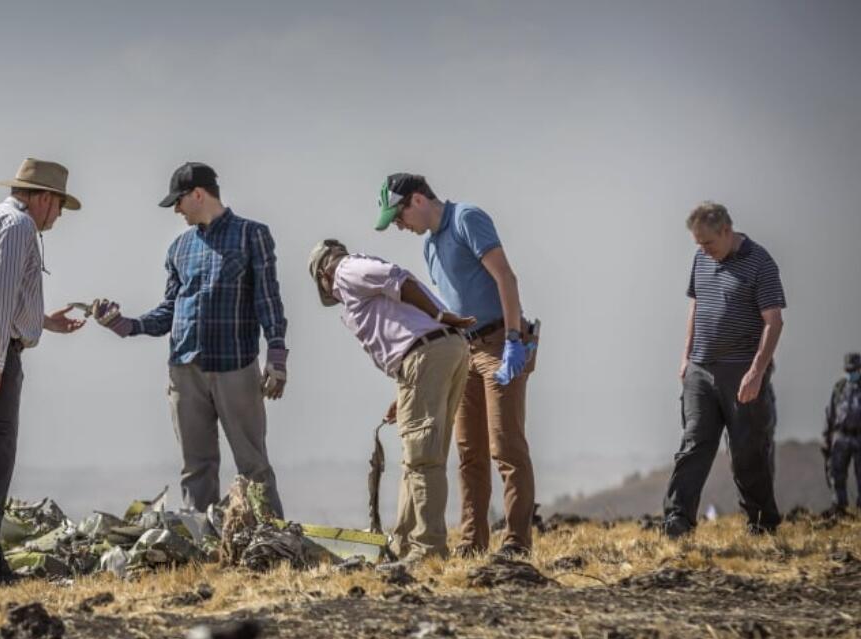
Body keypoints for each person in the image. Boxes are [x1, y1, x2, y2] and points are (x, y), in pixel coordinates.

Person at [91, 162, 288, 516]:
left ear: (198, 194)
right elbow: (169, 310)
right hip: (184, 369)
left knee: (253, 464)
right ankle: (202, 546)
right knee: (195, 467)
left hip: (236, 365)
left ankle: (271, 545)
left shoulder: (251, 235)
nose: (176, 210)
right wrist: (125, 325)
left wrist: (277, 353)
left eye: (179, 202)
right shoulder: (178, 248)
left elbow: (267, 299)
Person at [375, 173, 538, 558]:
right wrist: (412, 389)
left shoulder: (467, 218)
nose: (399, 226)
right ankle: (472, 543)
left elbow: (505, 277)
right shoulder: (430, 246)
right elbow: (443, 316)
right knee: (470, 453)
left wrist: (514, 339)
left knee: (506, 447)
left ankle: (516, 543)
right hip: (463, 351)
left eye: (399, 217)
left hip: (501, 343)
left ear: (416, 200)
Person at [0, 159, 86, 584]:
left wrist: (41, 320)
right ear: (44, 198)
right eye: (59, 206)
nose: (58, 216)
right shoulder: (18, 226)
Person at [308, 239, 473, 566]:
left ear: (324, 275)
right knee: (422, 456)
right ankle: (404, 544)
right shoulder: (354, 281)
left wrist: (439, 313)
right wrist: (404, 393)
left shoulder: (345, 269)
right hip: (440, 353)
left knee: (422, 458)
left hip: (426, 354)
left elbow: (397, 279)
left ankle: (428, 549)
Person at [663, 202, 786, 537]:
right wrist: (686, 357)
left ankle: (761, 523)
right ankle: (677, 521)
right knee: (694, 445)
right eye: (698, 243)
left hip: (741, 371)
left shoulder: (760, 262)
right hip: (700, 370)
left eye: (708, 242)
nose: (703, 249)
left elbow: (773, 322)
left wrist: (757, 372)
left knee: (746, 451)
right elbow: (697, 304)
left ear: (727, 231)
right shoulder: (701, 258)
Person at [824, 352, 861, 512]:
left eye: (854, 369)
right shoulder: (839, 387)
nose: (851, 373)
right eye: (849, 370)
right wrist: (826, 438)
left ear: (860, 368)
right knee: (836, 473)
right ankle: (840, 508)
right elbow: (830, 413)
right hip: (841, 436)